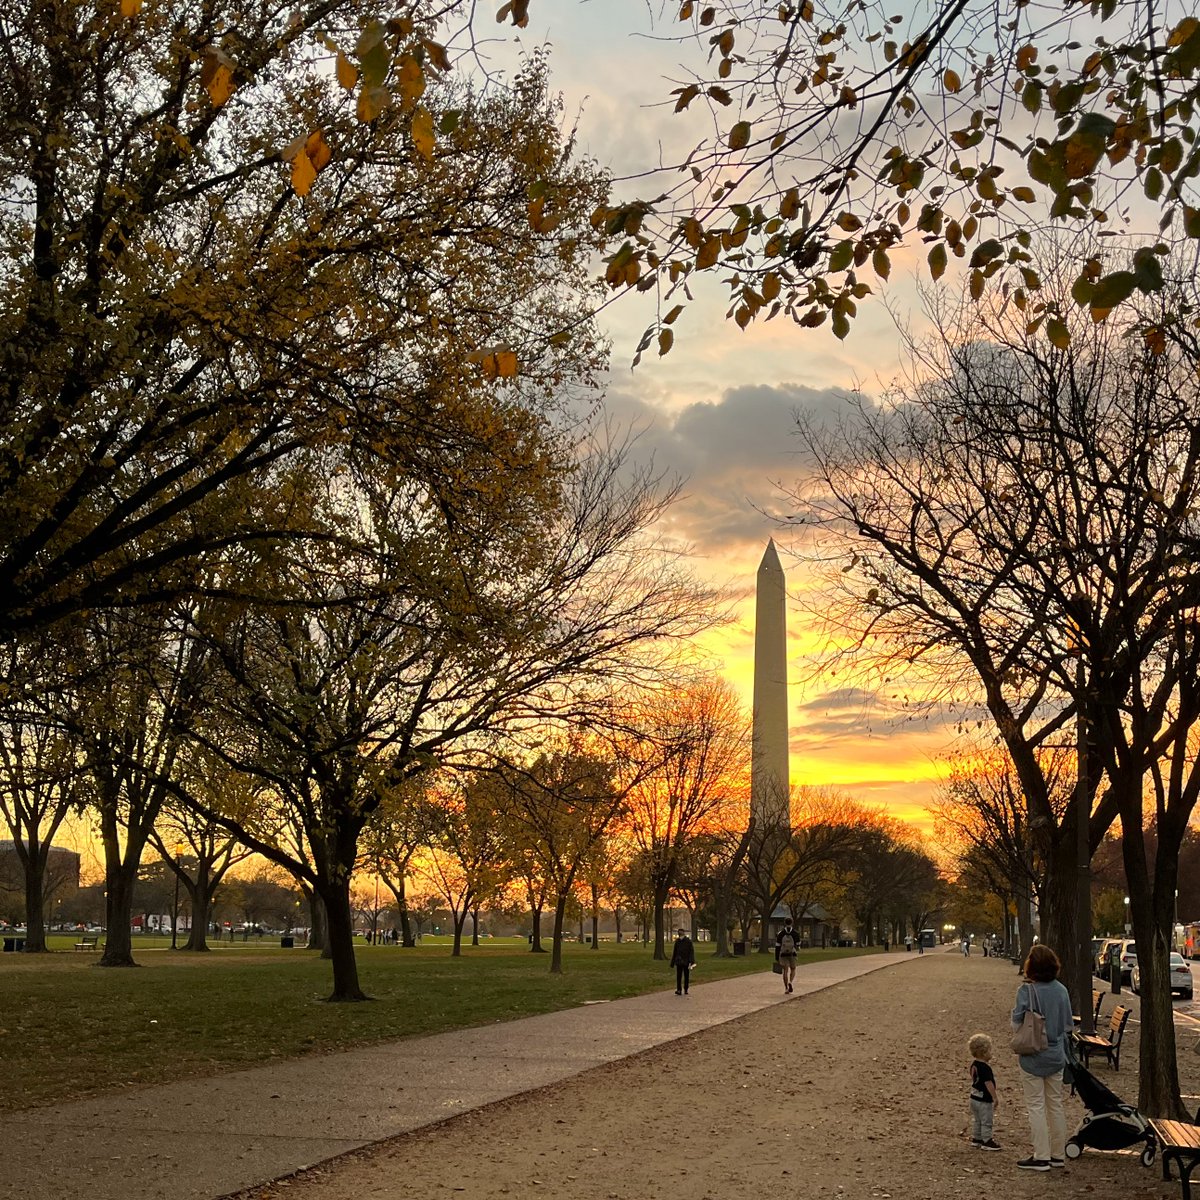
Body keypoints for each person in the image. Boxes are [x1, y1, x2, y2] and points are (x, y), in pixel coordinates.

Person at [1011, 943, 1074, 1171]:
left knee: (1036, 1105)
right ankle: (1058, 1154)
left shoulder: (1026, 991)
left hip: (1033, 1055)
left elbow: (1016, 1023)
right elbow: (1068, 1024)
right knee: (1055, 1104)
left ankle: (1041, 1155)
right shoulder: (1062, 990)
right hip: (1056, 1054)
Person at [967, 1033, 1002, 1150]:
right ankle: (987, 1140)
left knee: (977, 1119)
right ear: (984, 1052)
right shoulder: (985, 1068)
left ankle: (977, 1138)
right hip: (984, 1099)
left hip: (974, 1097)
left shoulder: (974, 1065)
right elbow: (988, 1083)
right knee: (986, 1120)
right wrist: (994, 1097)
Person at [776, 919, 799, 993]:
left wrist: (777, 957)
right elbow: (798, 945)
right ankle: (790, 982)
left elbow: (777, 946)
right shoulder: (795, 933)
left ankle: (786, 988)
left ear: (784, 923)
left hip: (783, 954)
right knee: (793, 969)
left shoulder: (781, 933)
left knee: (785, 971)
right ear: (792, 923)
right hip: (792, 954)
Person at [670, 929, 695, 995]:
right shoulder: (679, 941)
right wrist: (673, 962)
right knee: (681, 976)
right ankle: (681, 989)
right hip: (681, 961)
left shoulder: (686, 941)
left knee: (684, 976)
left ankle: (683, 989)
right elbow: (675, 952)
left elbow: (691, 952)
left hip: (684, 961)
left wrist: (691, 961)